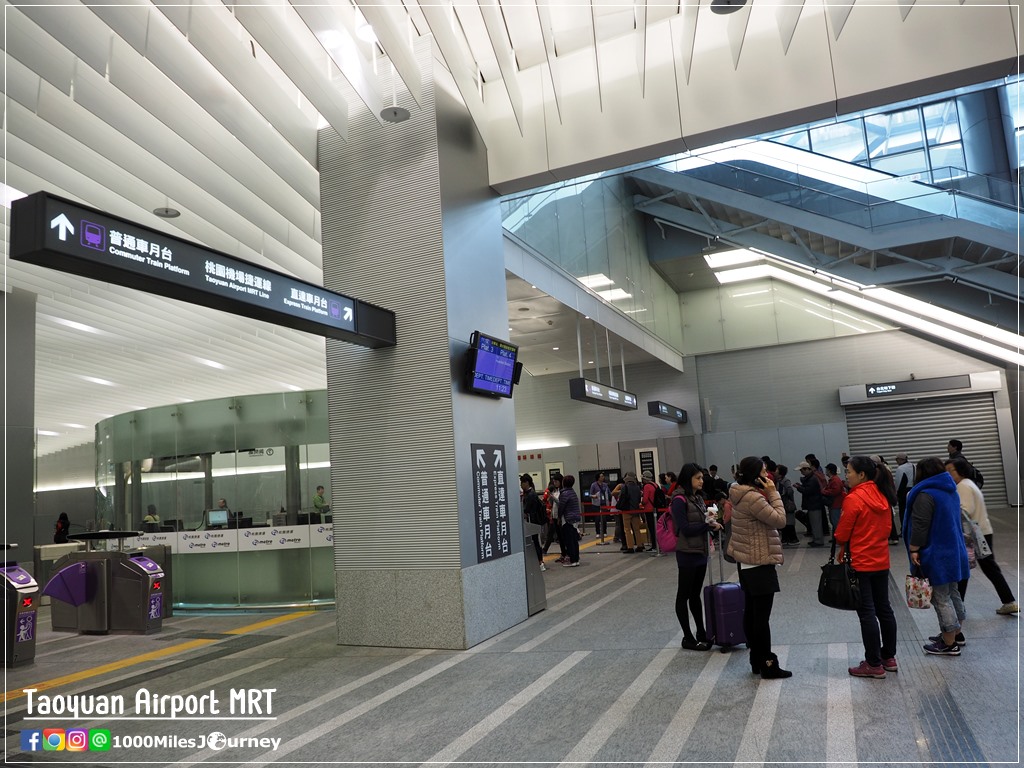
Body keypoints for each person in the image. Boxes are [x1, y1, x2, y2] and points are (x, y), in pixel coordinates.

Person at [834, 456, 899, 678]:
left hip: (860, 562)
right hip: (881, 560)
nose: (846, 475)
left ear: (862, 475)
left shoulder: (854, 499)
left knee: (867, 613)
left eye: (849, 472)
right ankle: (888, 657)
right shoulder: (883, 495)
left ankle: (873, 663)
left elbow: (842, 535)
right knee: (885, 609)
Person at [727, 456, 791, 679]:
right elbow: (780, 520)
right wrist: (773, 492)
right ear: (756, 475)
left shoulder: (738, 493)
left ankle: (756, 659)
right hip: (759, 562)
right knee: (761, 619)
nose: (768, 476)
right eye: (764, 472)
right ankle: (768, 664)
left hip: (746, 562)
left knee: (752, 614)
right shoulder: (754, 498)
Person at [904, 457, 971, 656]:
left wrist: (914, 548)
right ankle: (957, 633)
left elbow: (920, 525)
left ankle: (949, 643)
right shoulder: (950, 491)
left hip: (937, 552)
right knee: (953, 593)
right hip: (953, 549)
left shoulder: (925, 494)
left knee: (941, 598)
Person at [945, 457, 1018, 615]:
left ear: (961, 471)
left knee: (965, 568)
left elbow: (964, 510)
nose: (948, 474)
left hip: (973, 535)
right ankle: (1008, 601)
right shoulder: (969, 484)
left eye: (951, 471)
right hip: (982, 532)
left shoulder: (963, 486)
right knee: (988, 567)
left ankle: (958, 606)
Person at [672, 463, 722, 651]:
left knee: (695, 594)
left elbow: (700, 523)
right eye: (698, 478)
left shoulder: (698, 498)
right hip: (687, 553)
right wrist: (707, 526)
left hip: (700, 551)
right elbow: (684, 528)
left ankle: (701, 632)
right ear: (688, 479)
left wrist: (711, 522)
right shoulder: (679, 500)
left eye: (702, 477)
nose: (702, 481)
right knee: (683, 595)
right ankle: (688, 637)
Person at [794, 461, 826, 547]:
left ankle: (818, 540)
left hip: (814, 504)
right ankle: (816, 539)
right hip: (813, 504)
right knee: (814, 523)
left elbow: (808, 491)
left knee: (816, 524)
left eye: (802, 470)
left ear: (807, 469)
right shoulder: (811, 478)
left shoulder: (812, 479)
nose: (801, 472)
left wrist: (799, 487)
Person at [521, 474, 547, 571]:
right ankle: (538, 562)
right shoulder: (530, 493)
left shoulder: (530, 495)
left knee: (535, 542)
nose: (521, 485)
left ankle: (540, 562)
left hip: (533, 522)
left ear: (527, 483)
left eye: (522, 483)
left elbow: (527, 509)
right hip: (533, 522)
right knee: (535, 542)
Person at [557, 475, 582, 567]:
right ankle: (576, 559)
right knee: (574, 540)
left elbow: (561, 507)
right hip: (575, 518)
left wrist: (559, 518)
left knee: (569, 540)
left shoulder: (564, 493)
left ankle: (572, 560)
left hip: (568, 519)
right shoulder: (572, 492)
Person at [618, 472, 646, 553]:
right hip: (636, 510)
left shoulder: (624, 487)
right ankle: (639, 545)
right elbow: (638, 499)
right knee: (636, 529)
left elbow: (621, 497)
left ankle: (630, 547)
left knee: (627, 529)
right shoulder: (637, 487)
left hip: (626, 510)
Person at [775, 465, 800, 546]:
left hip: (787, 504)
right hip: (782, 504)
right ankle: (785, 538)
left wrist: (783, 493)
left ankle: (793, 539)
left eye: (776, 470)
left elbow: (790, 491)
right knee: (784, 522)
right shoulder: (778, 481)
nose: (775, 471)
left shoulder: (785, 481)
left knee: (789, 522)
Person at [892, 453, 914, 544]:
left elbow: (898, 482)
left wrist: (896, 493)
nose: (896, 461)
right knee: (912, 510)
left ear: (901, 460)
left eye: (897, 459)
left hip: (903, 491)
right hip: (913, 489)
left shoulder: (900, 468)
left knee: (903, 511)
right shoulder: (913, 465)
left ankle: (904, 529)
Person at [542, 476, 564, 561]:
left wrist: (552, 498)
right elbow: (551, 504)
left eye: (556, 482)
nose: (554, 483)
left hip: (559, 517)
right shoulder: (555, 491)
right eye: (553, 482)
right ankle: (563, 554)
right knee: (555, 535)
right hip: (553, 516)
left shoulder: (562, 492)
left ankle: (564, 553)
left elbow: (560, 503)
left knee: (560, 536)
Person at [822, 463, 846, 537]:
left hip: (835, 504)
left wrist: (824, 491)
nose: (825, 471)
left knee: (836, 522)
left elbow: (835, 491)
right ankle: (835, 538)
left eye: (826, 470)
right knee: (834, 521)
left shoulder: (835, 480)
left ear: (829, 470)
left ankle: (839, 537)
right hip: (835, 504)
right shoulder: (834, 479)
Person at [640, 470, 661, 553]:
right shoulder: (655, 485)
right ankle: (658, 544)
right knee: (656, 527)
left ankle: (654, 546)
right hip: (656, 508)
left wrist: (641, 502)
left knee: (651, 528)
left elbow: (645, 500)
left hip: (649, 509)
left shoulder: (646, 486)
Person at [589, 473, 611, 544]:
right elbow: (590, 494)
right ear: (598, 477)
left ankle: (604, 531)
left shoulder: (605, 485)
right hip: (596, 503)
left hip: (604, 503)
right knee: (597, 518)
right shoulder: (593, 485)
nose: (603, 477)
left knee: (604, 518)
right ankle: (597, 532)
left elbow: (609, 493)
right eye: (601, 476)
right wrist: (594, 496)